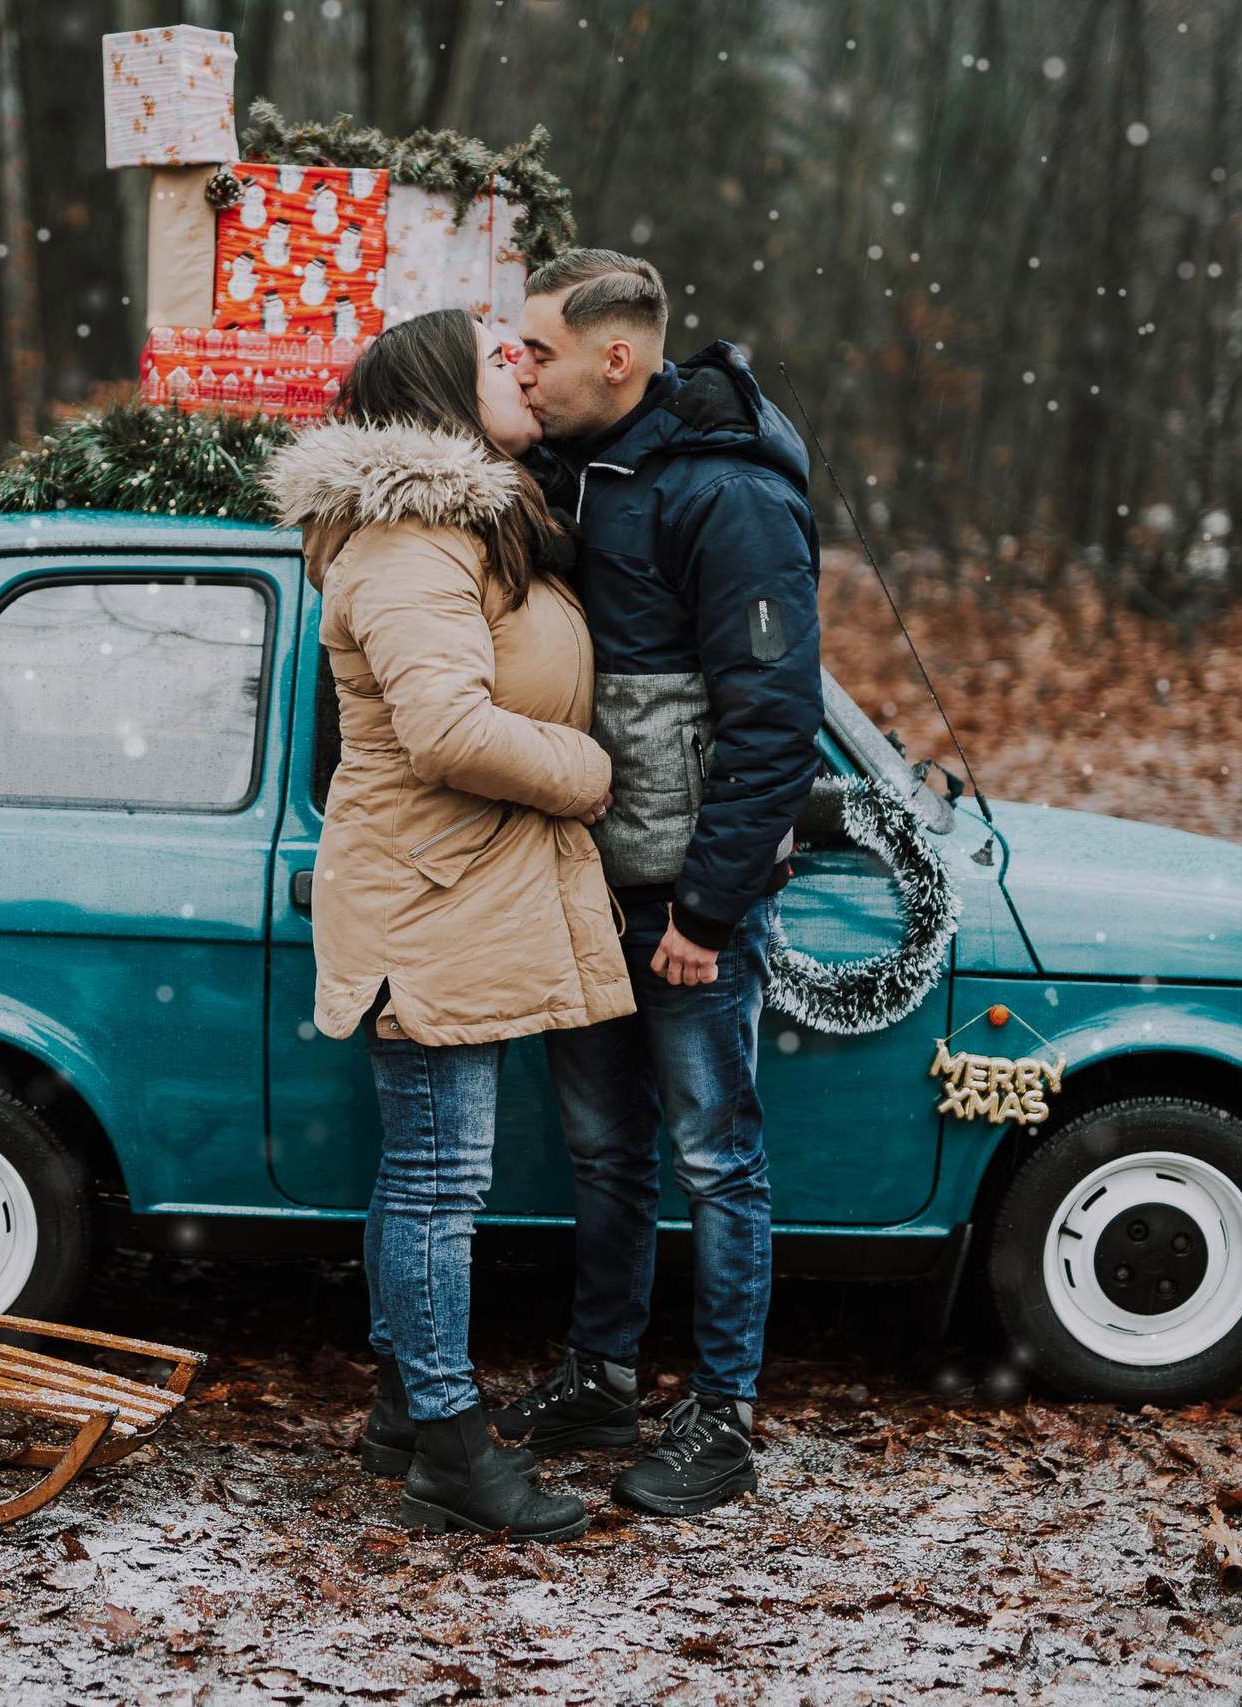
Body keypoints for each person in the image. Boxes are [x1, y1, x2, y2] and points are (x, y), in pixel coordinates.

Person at [264, 308, 633, 1542]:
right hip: (426, 896)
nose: (524, 366)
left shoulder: (463, 524)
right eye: (499, 358)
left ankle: (400, 1410)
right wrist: (591, 773)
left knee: (425, 1174)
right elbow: (448, 733)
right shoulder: (408, 539)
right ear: (438, 394)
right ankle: (451, 1450)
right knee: (438, 1180)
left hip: (452, 886)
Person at [496, 249, 824, 1517]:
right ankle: (600, 1375)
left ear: (616, 358)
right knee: (601, 1152)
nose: (523, 367)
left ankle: (724, 1416)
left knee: (714, 1157)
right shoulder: (573, 469)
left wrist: (708, 908)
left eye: (540, 350)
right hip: (581, 885)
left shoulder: (727, 497)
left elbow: (769, 719)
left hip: (681, 906)